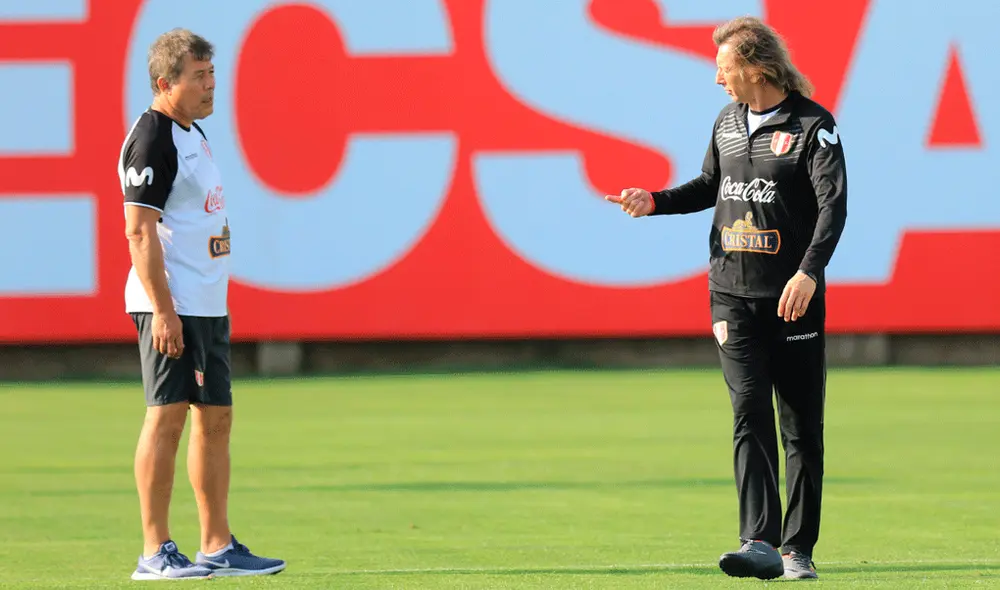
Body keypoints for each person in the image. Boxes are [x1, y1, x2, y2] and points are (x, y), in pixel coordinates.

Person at [606, 16, 847, 581]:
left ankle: (797, 549)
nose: (717, 81)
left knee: (800, 426)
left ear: (755, 67)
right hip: (730, 295)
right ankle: (758, 540)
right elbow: (711, 185)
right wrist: (656, 200)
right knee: (747, 410)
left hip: (791, 298)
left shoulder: (814, 126)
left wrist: (809, 272)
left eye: (724, 69)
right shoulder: (727, 121)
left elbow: (833, 206)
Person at [118, 28, 285, 581]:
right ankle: (154, 551)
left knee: (216, 419)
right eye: (199, 77)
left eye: (213, 74)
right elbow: (139, 232)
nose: (212, 86)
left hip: (207, 301)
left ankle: (216, 544)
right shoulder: (152, 140)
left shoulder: (194, 131)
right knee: (166, 418)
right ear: (165, 83)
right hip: (172, 302)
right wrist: (163, 310)